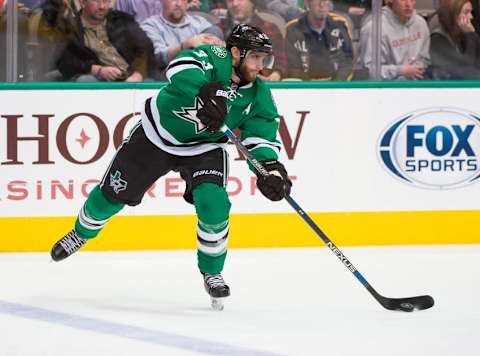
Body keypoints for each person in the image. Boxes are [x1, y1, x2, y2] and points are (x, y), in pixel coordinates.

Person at [50, 24, 292, 308]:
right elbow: (179, 67)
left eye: (265, 59)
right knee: (111, 196)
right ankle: (81, 232)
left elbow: (261, 136)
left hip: (205, 147)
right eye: (256, 57)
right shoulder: (215, 55)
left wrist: (271, 170)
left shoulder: (258, 94)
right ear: (236, 52)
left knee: (213, 203)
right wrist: (204, 92)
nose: (261, 66)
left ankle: (212, 272)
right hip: (157, 135)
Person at [55, 0, 153, 81]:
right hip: (98, 79)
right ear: (82, 2)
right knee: (86, 81)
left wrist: (138, 73)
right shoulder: (70, 28)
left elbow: (146, 47)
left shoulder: (122, 20)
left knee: (151, 83)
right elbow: (63, 61)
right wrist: (97, 70)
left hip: (130, 77)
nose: (102, 6)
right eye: (97, 1)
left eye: (106, 1)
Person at [141, 0, 224, 76]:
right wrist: (185, 46)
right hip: (166, 80)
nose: (179, 4)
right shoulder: (150, 25)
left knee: (215, 31)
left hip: (201, 78)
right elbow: (158, 57)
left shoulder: (200, 23)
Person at [359, 0, 430, 80]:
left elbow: (425, 58)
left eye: (412, 0)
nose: (408, 4)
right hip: (385, 88)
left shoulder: (421, 23)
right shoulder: (373, 27)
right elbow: (368, 71)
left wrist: (418, 68)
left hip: (418, 86)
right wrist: (400, 71)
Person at [284, 0, 354, 80]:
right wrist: (312, 86)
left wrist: (335, 84)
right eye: (317, 1)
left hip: (336, 85)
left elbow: (348, 60)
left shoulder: (340, 24)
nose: (322, 4)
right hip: (304, 85)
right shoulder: (293, 28)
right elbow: (292, 67)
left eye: (325, 0)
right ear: (307, 3)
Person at [218, 0, 286, 80]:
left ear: (252, 2)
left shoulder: (269, 28)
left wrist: (277, 73)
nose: (235, 4)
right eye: (230, 1)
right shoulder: (219, 29)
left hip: (264, 82)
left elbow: (281, 61)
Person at [429, 0, 480, 79]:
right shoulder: (437, 38)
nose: (471, 16)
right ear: (453, 14)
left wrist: (472, 34)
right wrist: (470, 34)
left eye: (471, 12)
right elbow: (465, 66)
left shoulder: (460, 32)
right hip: (447, 87)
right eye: (466, 12)